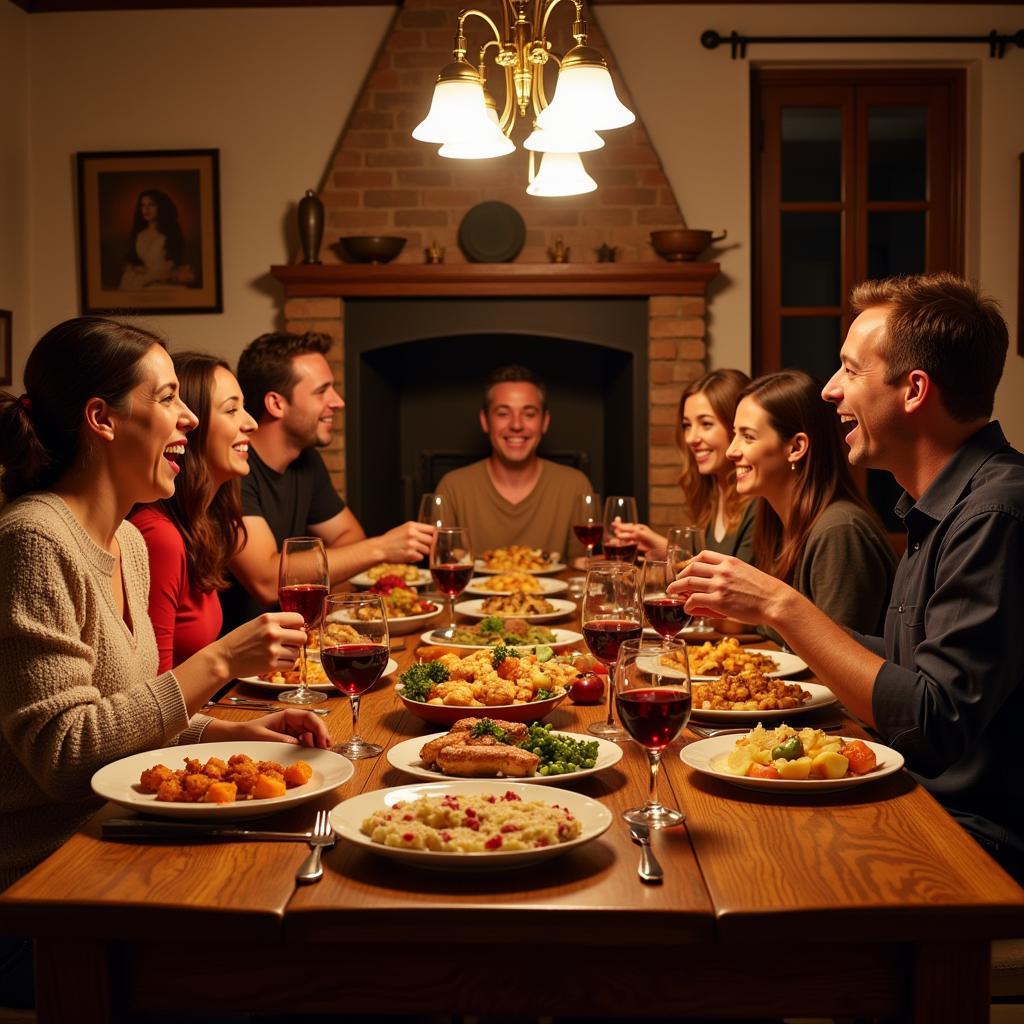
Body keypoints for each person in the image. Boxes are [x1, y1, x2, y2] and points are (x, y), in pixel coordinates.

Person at [0, 317, 330, 1007]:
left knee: (316, 914)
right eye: (169, 397)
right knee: (279, 973)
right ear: (102, 419)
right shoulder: (33, 540)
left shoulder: (129, 540)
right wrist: (214, 664)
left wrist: (235, 732)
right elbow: (66, 756)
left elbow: (125, 719)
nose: (188, 418)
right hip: (40, 893)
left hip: (117, 844)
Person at [671, 272, 1024, 881]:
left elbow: (933, 723)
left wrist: (784, 607)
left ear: (914, 390)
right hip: (921, 801)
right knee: (699, 820)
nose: (830, 390)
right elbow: (908, 666)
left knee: (733, 868)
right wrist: (769, 614)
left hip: (971, 840)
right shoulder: (936, 508)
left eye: (850, 371)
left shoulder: (996, 513)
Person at [222, 330, 434, 631]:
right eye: (322, 391)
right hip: (243, 666)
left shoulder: (305, 459)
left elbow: (350, 537)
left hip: (296, 642)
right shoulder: (233, 469)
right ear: (276, 404)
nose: (338, 402)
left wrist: (307, 569)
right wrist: (383, 548)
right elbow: (268, 581)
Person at [728, 369, 896, 634]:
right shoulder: (773, 522)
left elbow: (841, 663)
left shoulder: (839, 530)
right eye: (734, 434)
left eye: (748, 437)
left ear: (796, 447)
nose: (731, 451)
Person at [130, 352, 257, 670]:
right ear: (190, 430)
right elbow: (156, 693)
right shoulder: (159, 535)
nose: (251, 423)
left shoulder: (202, 524)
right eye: (231, 410)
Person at [435, 365, 594, 559]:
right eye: (503, 413)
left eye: (529, 414)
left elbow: (581, 571)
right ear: (485, 421)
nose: (516, 425)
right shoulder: (452, 487)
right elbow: (442, 573)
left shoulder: (575, 485)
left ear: (545, 421)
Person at [614, 369, 757, 562]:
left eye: (706, 424)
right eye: (687, 425)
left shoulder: (757, 502)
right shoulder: (714, 492)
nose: (690, 438)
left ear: (737, 426)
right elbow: (709, 563)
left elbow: (734, 584)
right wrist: (661, 545)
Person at [119, 189, 195, 290]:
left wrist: (147, 278)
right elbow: (132, 261)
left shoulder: (170, 236)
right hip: (140, 279)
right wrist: (135, 269)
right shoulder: (139, 235)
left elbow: (169, 265)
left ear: (161, 207)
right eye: (143, 205)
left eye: (151, 205)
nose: (146, 209)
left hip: (161, 280)